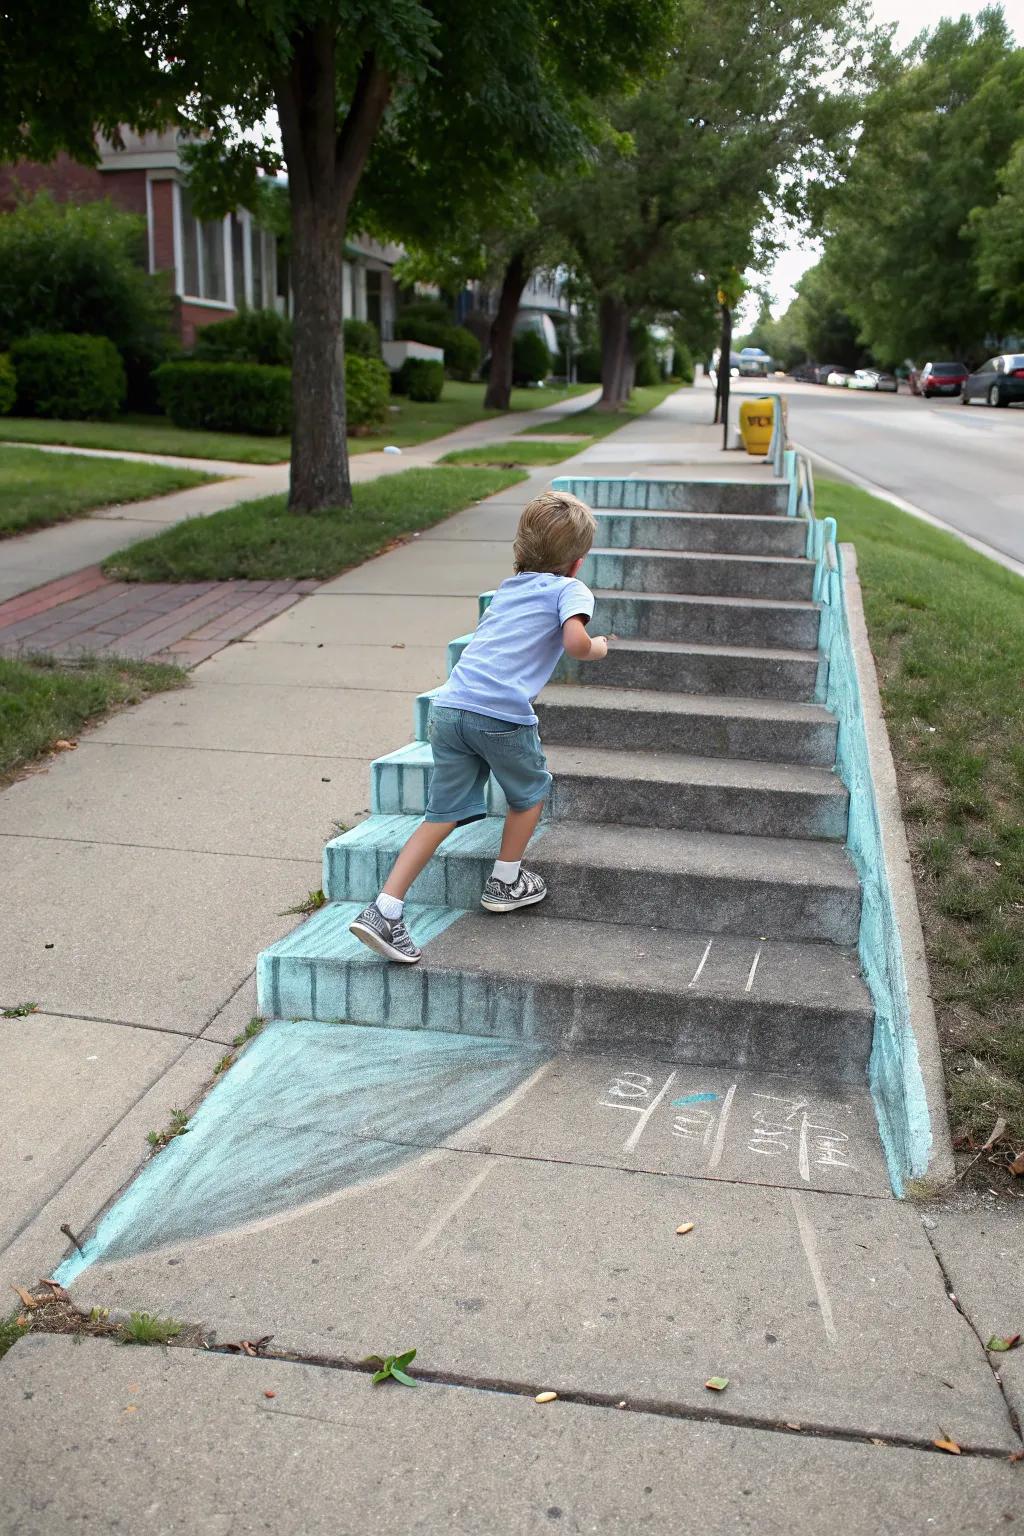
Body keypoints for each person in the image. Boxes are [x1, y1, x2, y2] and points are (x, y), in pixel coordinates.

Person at [349, 489, 608, 963]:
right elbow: (574, 642)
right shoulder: (570, 589)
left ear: (523, 549)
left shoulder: (510, 589)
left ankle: (384, 909)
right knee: (530, 793)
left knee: (441, 814)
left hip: (449, 710)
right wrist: (598, 647)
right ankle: (505, 881)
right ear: (577, 562)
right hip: (500, 716)